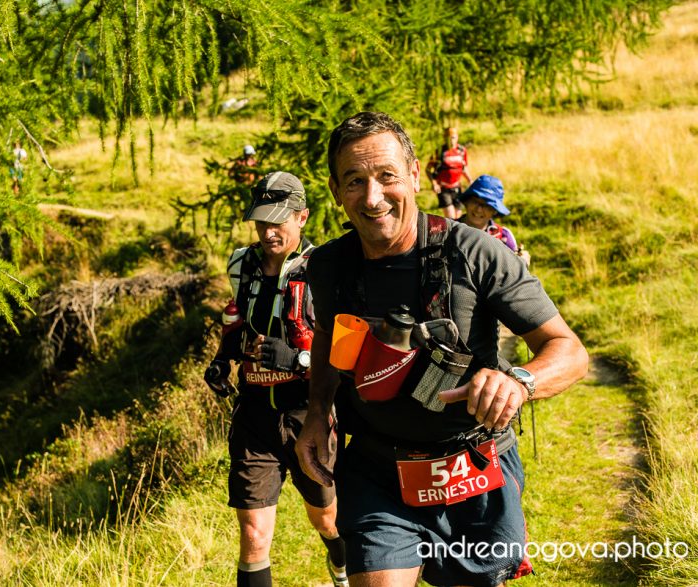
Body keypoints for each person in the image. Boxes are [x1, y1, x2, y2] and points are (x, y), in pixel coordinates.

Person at [294, 112, 589, 587]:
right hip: (377, 473)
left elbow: (570, 352)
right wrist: (316, 411)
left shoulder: (476, 254)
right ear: (335, 190)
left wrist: (519, 382)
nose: (372, 198)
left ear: (414, 175)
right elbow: (330, 335)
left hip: (474, 467)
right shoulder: (329, 266)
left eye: (387, 176)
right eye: (355, 181)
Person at [203, 171, 348, 587]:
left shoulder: (323, 270)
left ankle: (341, 566)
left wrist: (298, 359)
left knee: (326, 517)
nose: (268, 232)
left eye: (278, 221)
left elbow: (344, 350)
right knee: (252, 535)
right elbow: (237, 323)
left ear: (302, 218)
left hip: (308, 413)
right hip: (254, 415)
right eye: (262, 222)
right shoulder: (241, 265)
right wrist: (222, 359)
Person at [425, 126, 472, 219]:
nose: (451, 140)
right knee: (451, 218)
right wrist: (434, 183)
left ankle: (454, 234)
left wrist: (470, 180)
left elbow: (464, 167)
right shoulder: (439, 152)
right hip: (443, 189)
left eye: (453, 137)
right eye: (448, 138)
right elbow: (428, 169)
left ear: (457, 137)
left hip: (457, 188)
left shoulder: (462, 151)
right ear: (444, 138)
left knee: (458, 219)